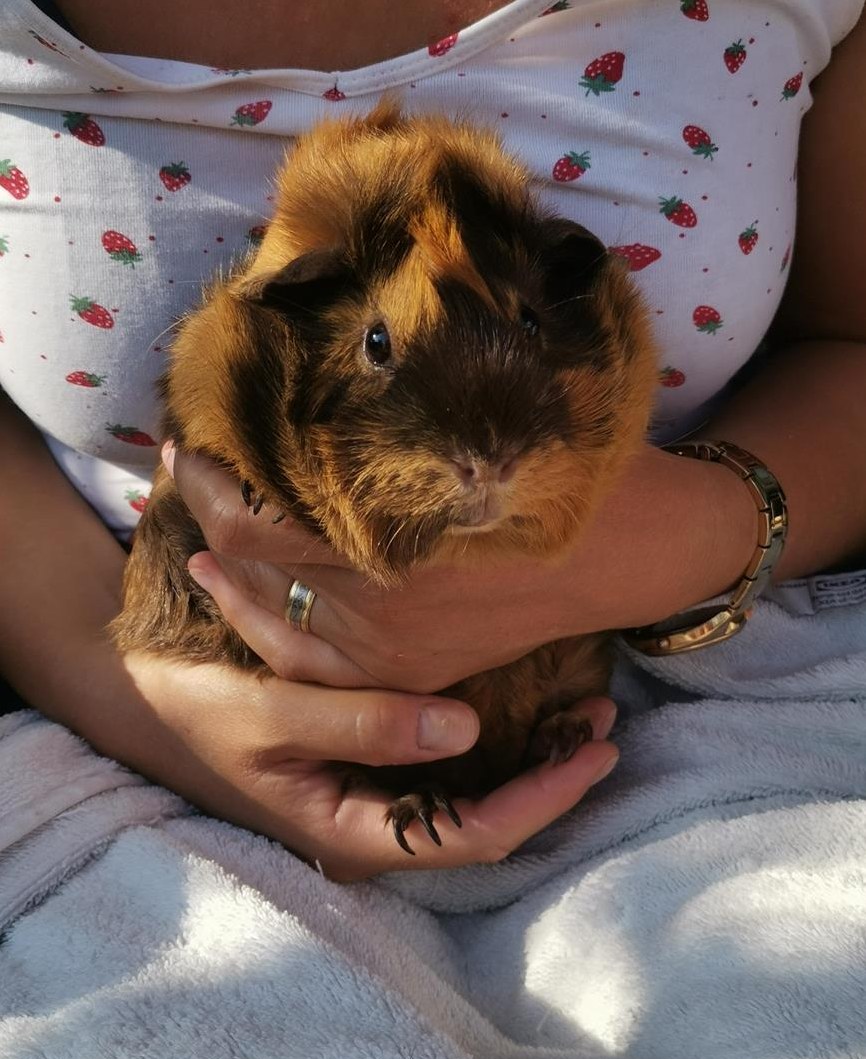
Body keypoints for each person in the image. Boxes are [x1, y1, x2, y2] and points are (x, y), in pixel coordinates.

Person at [1, 0, 864, 890]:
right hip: (132, 742)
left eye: (528, 325)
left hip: (704, 694)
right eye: (379, 347)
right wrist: (119, 690)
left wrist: (690, 538)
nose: (479, 454)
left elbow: (852, 347)